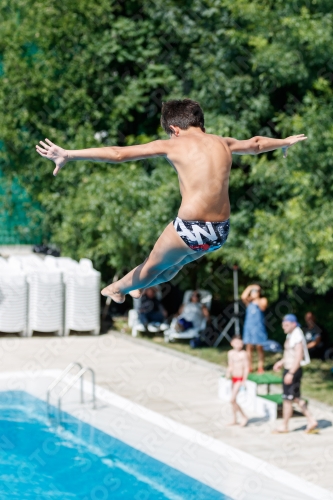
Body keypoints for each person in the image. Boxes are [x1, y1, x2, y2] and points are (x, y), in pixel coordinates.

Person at [36, 99, 307, 303]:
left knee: (153, 266)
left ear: (174, 129)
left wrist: (69, 154)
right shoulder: (223, 142)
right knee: (169, 269)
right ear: (200, 123)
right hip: (219, 233)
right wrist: (284, 141)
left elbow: (118, 153)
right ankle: (139, 285)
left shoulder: (173, 144)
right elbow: (258, 143)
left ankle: (117, 288)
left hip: (190, 227)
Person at [273, 314, 318, 434]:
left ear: (293, 324)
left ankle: (284, 425)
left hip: (293, 370)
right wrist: (281, 362)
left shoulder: (297, 335)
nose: (284, 327)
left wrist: (291, 373)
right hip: (289, 368)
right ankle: (311, 419)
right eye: (283, 325)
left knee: (287, 399)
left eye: (286, 325)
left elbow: (299, 356)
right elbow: (290, 354)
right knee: (295, 398)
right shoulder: (291, 334)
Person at [241, 284, 268, 373]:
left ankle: (260, 367)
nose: (254, 293)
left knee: (259, 347)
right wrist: (250, 287)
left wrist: (256, 298)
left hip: (259, 327)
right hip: (249, 326)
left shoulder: (262, 300)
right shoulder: (249, 302)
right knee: (249, 347)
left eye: (255, 291)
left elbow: (263, 307)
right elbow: (243, 296)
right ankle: (250, 366)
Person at [226, 336, 249, 427]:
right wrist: (228, 372)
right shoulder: (230, 353)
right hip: (234, 378)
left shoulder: (243, 354)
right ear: (232, 343)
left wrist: (244, 380)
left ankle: (244, 416)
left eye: (240, 343)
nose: (239, 345)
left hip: (239, 379)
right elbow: (230, 365)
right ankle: (234, 419)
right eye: (237, 343)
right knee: (234, 400)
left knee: (232, 400)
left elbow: (246, 367)